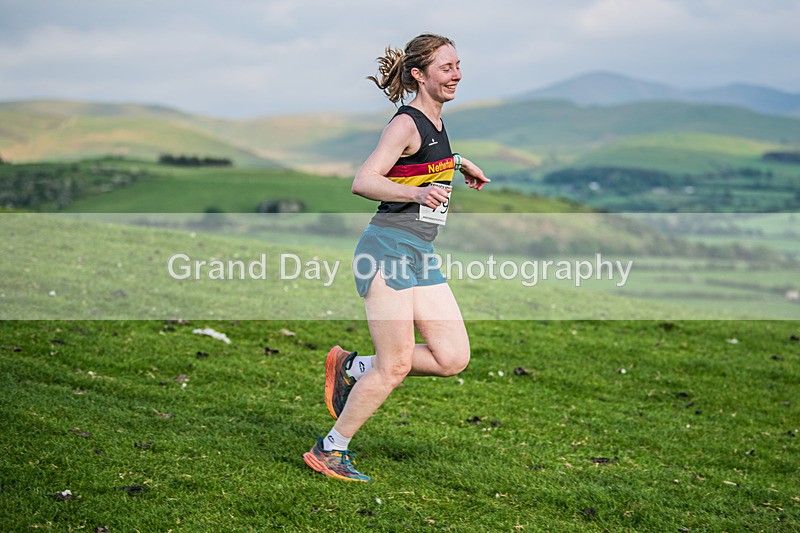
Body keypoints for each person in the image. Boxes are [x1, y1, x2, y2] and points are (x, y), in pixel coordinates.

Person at [303, 33, 490, 483]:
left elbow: (426, 158)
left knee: (452, 357)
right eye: (446, 68)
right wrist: (419, 192)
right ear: (418, 75)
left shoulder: (437, 124)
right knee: (397, 364)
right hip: (385, 251)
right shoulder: (405, 123)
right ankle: (331, 449)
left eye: (458, 65)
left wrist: (459, 162)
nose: (457, 74)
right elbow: (364, 180)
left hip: (420, 253)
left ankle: (352, 367)